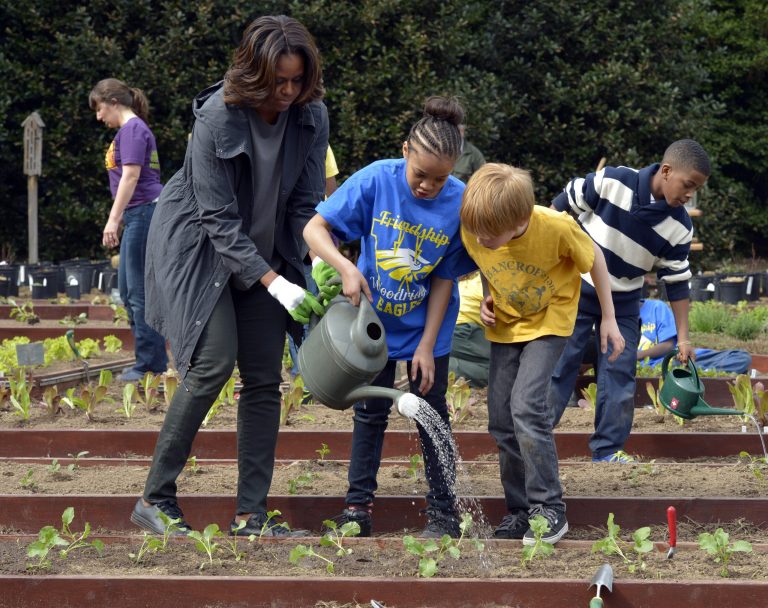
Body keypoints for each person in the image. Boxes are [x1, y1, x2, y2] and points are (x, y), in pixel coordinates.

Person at [130, 15, 328, 537]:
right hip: (200, 250)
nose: (287, 92)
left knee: (265, 378)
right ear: (254, 73)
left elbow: (305, 205)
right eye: (278, 81)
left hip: (268, 254)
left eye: (296, 81)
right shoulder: (217, 118)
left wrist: (325, 263)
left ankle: (250, 515)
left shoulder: (311, 116)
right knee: (213, 362)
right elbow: (216, 220)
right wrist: (275, 283)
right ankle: (155, 497)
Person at [303, 96, 477, 538]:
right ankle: (357, 510)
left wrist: (426, 346)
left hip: (426, 328)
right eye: (420, 175)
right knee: (370, 413)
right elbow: (314, 229)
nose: (427, 187)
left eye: (440, 179)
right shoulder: (377, 180)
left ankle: (443, 516)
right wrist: (345, 267)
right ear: (405, 151)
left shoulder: (458, 202)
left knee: (432, 414)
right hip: (371, 326)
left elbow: (443, 278)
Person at [459, 163, 624, 545]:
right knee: (500, 420)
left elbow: (595, 260)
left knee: (526, 406)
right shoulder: (477, 228)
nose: (480, 239)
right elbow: (488, 263)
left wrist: (610, 319)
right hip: (505, 323)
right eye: (476, 232)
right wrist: (487, 296)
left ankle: (549, 508)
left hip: (550, 319)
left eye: (489, 234)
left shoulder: (555, 227)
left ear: (519, 219)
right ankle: (519, 511)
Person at [549, 139, 711, 462]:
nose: (690, 194)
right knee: (560, 363)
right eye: (688, 185)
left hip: (623, 300)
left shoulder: (679, 226)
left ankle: (607, 451)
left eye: (696, 189)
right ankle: (532, 436)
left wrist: (683, 337)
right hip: (577, 287)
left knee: (619, 372)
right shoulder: (612, 181)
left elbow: (677, 283)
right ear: (666, 171)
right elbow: (561, 205)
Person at [89, 78, 169, 382]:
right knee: (128, 290)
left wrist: (113, 219)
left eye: (99, 109)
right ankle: (148, 360)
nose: (98, 116)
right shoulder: (129, 132)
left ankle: (150, 364)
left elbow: (131, 177)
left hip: (145, 213)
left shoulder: (133, 130)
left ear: (112, 102)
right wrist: (122, 217)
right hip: (138, 214)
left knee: (139, 291)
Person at [637, 299, 751, 373]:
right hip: (658, 370)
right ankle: (702, 373)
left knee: (741, 358)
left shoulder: (656, 307)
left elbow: (669, 345)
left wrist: (638, 355)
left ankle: (699, 372)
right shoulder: (620, 319)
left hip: (678, 359)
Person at [449, 272, 491, 388]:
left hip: (453, 331)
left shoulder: (465, 281)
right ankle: (447, 370)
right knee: (499, 368)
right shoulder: (484, 280)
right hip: (462, 331)